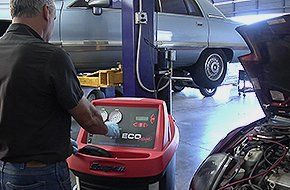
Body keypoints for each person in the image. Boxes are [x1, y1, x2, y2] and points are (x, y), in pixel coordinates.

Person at [0, 0, 120, 189]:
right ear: (47, 12)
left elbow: (16, 104)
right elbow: (89, 119)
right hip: (40, 175)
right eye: (54, 19)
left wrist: (58, 140)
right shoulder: (51, 56)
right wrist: (108, 129)